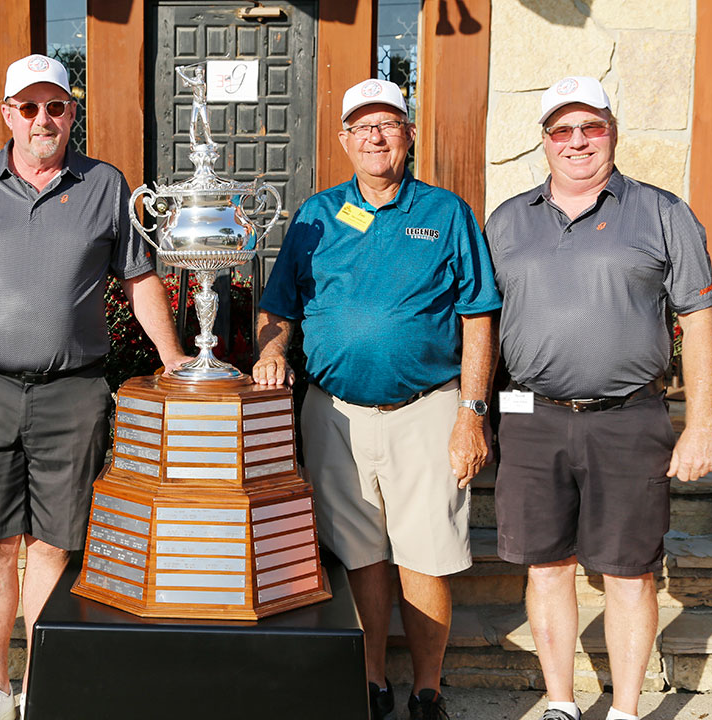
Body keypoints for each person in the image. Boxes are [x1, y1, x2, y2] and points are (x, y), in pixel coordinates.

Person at [0, 54, 188, 720]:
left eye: (56, 107)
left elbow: (138, 278)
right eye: (29, 107)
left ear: (72, 112)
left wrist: (174, 355)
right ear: (6, 114)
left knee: (53, 543)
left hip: (73, 392)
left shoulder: (106, 183)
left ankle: (41, 682)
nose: (43, 119)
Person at [253, 78, 501, 720]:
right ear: (344, 141)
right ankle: (369, 683)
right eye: (362, 126)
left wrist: (472, 413)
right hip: (334, 414)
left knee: (426, 554)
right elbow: (278, 306)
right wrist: (273, 351)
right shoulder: (316, 213)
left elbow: (479, 315)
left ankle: (426, 690)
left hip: (427, 410)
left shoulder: (447, 213)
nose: (375, 136)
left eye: (388, 123)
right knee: (359, 551)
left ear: (408, 135)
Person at [484, 76, 712, 720]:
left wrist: (702, 424)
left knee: (628, 571)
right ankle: (561, 703)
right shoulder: (506, 221)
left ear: (613, 132)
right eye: (562, 129)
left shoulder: (662, 211)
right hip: (529, 415)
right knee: (547, 566)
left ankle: (622, 709)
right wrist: (474, 413)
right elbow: (479, 324)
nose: (577, 141)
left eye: (591, 126)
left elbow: (699, 321)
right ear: (544, 142)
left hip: (629, 416)